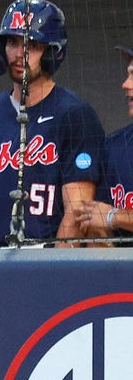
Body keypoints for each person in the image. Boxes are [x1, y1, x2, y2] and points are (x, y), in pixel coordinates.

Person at [0, 0, 105, 249]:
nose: (20, 53)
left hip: (43, 254)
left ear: (52, 50)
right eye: (12, 42)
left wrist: (55, 273)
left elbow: (77, 211)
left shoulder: (74, 114)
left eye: (32, 45)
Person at [74, 46, 133, 239]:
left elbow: (106, 216)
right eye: (128, 75)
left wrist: (114, 216)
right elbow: (96, 222)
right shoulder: (114, 147)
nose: (125, 84)